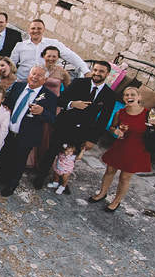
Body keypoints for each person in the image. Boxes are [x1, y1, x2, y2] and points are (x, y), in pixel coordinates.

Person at [33, 60, 116, 189]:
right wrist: (72, 104)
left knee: (70, 157)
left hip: (82, 131)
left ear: (107, 74)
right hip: (64, 125)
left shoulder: (110, 95)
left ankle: (62, 182)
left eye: (101, 71)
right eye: (95, 70)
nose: (97, 73)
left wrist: (92, 139)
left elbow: (104, 119)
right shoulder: (79, 83)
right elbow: (61, 100)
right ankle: (40, 177)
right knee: (51, 152)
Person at [90, 86, 155, 212]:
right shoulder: (120, 113)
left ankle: (116, 201)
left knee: (124, 177)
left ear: (139, 97)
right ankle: (102, 193)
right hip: (120, 146)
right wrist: (115, 131)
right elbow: (112, 127)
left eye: (132, 94)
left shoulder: (148, 114)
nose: (129, 97)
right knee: (110, 171)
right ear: (123, 98)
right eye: (126, 95)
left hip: (137, 150)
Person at [0, 66, 58, 197]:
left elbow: (53, 118)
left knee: (19, 161)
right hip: (8, 131)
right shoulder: (18, 86)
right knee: (5, 156)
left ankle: (12, 184)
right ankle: (0, 178)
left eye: (39, 75)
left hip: (27, 135)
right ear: (29, 74)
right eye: (33, 73)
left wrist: (42, 112)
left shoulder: (50, 97)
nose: (35, 77)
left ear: (45, 79)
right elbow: (8, 102)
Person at [9, 19, 89, 81]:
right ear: (29, 30)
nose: (36, 31)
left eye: (39, 28)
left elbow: (70, 56)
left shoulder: (53, 43)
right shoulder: (20, 46)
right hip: (22, 80)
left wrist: (86, 71)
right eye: (33, 28)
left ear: (44, 30)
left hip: (43, 82)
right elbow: (11, 64)